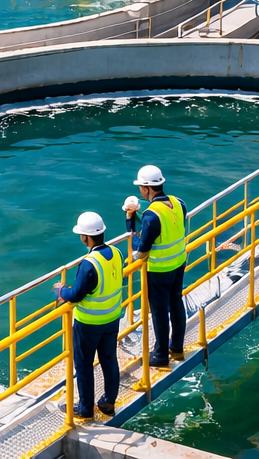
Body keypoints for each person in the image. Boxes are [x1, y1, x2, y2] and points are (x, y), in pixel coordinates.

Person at [54, 211, 124, 420]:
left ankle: (85, 409)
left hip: (88, 324)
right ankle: (108, 403)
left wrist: (61, 291)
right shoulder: (117, 253)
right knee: (109, 360)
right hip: (112, 319)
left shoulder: (88, 264)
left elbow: (76, 294)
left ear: (85, 237)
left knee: (84, 365)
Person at [124, 165, 187, 368]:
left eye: (141, 187)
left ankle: (160, 355)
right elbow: (166, 224)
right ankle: (176, 347)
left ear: (146, 188)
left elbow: (141, 251)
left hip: (160, 269)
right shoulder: (178, 203)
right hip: (178, 262)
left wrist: (130, 223)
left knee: (159, 311)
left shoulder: (151, 216)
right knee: (176, 302)